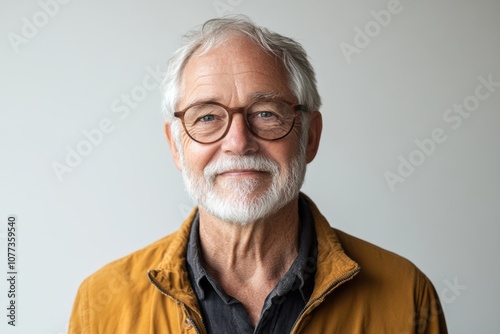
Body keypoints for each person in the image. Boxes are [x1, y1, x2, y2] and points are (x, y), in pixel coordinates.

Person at [69, 16, 447, 333]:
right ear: (176, 147)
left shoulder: (406, 294)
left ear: (310, 137)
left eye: (266, 113)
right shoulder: (102, 305)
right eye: (207, 117)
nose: (238, 142)